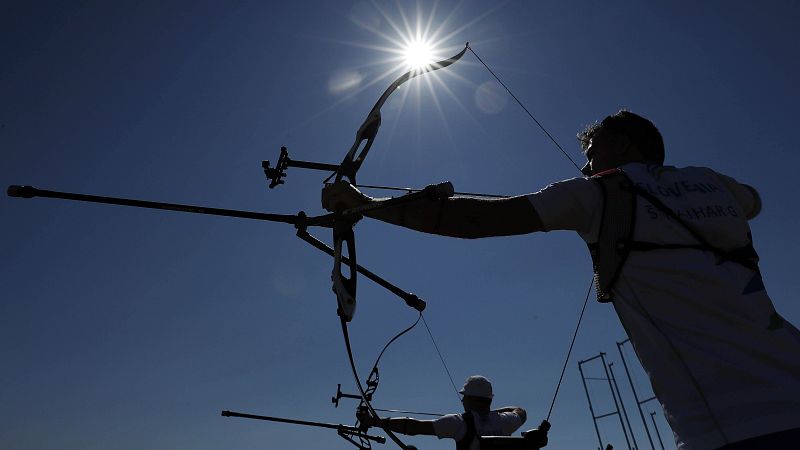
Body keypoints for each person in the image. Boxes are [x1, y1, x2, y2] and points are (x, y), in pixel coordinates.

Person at [322, 110, 800, 450]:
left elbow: (469, 220)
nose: (585, 165)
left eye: (592, 152)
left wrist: (361, 203)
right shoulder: (716, 183)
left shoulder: (596, 193)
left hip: (737, 425)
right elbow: (754, 199)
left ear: (624, 146)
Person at [360, 375, 527, 450]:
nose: (462, 401)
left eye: (465, 397)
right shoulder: (506, 422)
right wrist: (490, 413)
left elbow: (414, 427)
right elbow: (520, 411)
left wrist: (374, 421)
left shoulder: (458, 423)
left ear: (474, 399)